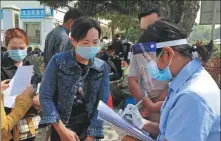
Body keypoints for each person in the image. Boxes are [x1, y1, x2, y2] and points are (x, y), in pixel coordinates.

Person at [120, 19, 220, 141]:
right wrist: (141, 123)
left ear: (167, 53)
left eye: (149, 61)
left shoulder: (191, 96)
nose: (148, 69)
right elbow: (172, 131)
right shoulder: (185, 82)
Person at [39, 18, 110, 141]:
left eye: (95, 42)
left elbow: (102, 104)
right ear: (73, 41)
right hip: (62, 126)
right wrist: (62, 130)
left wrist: (91, 136)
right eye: (85, 42)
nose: (91, 47)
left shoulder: (101, 67)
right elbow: (45, 96)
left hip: (89, 129)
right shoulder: (58, 61)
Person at [128, 4, 168, 123]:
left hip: (168, 108)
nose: (147, 35)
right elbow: (132, 80)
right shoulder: (138, 48)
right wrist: (147, 104)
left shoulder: (175, 49)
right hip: (144, 109)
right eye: (143, 30)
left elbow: (176, 82)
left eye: (151, 28)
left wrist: (153, 106)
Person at [1, 28, 41, 141]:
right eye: (13, 48)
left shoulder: (31, 62)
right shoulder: (2, 65)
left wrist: (38, 94)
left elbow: (39, 83)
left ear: (27, 46)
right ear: (6, 46)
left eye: (21, 48)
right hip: (8, 122)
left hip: (29, 121)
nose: (18, 51)